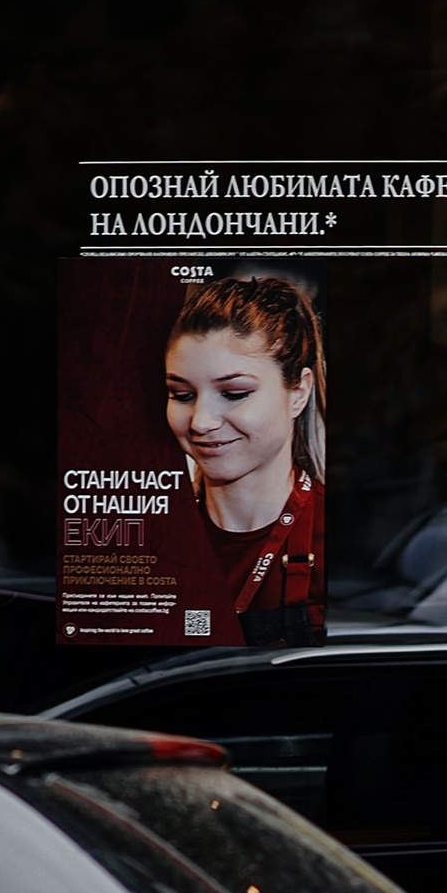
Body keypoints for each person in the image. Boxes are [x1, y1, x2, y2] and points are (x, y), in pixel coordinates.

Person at [165, 273, 328, 645]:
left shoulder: (334, 535)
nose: (201, 421)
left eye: (234, 393)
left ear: (298, 393)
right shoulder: (151, 537)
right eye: (181, 394)